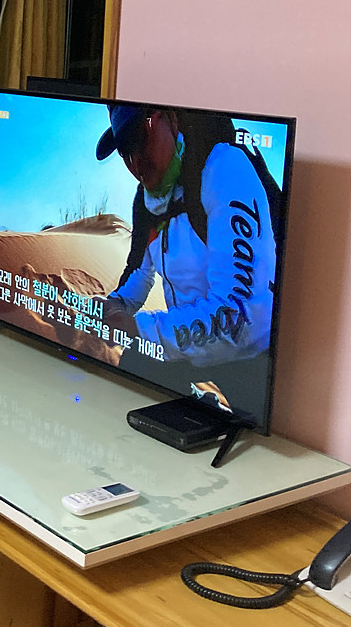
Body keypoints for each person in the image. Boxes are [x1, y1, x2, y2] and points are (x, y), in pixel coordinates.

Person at [95, 105, 278, 417]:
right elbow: (140, 272)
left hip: (250, 355)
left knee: (254, 427)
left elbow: (241, 316)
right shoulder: (147, 202)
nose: (135, 160)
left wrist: (141, 330)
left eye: (140, 137)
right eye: (124, 149)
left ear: (171, 118)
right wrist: (114, 305)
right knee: (133, 366)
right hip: (189, 345)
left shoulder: (225, 169)